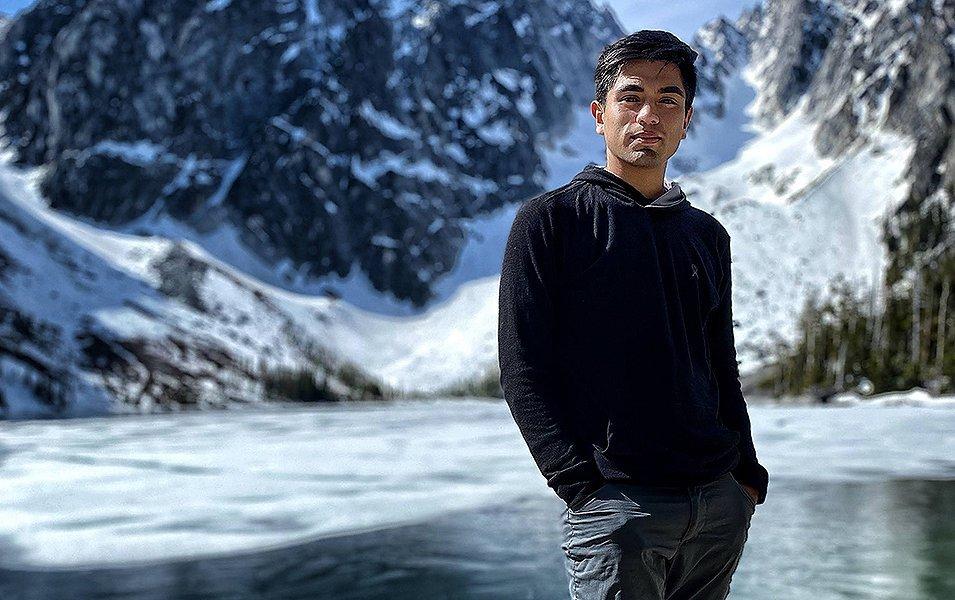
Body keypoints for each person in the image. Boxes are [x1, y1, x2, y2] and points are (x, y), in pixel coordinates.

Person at [497, 30, 769, 599]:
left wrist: (744, 476)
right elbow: (523, 368)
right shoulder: (551, 222)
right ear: (600, 115)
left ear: (687, 118)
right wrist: (581, 486)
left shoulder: (706, 235)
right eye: (631, 97)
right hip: (619, 507)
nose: (649, 114)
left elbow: (720, 365)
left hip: (716, 505)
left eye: (668, 99)